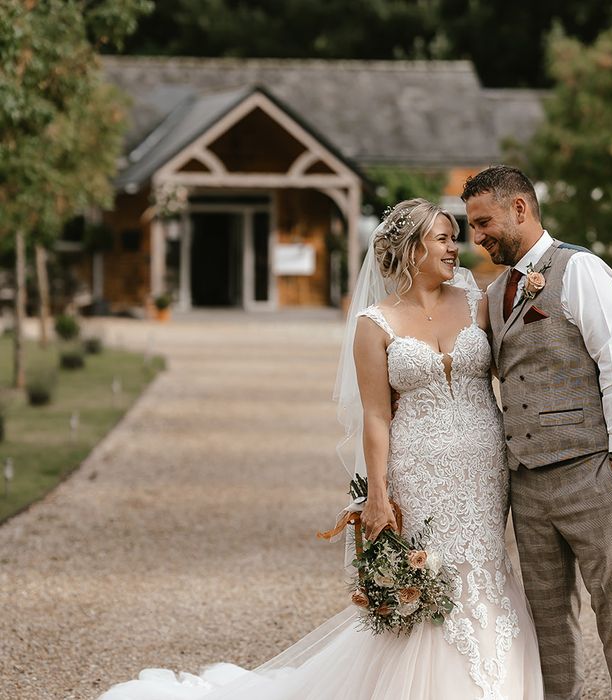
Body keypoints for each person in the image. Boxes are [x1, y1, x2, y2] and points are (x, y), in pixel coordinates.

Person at [97, 198, 544, 700]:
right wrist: (377, 494)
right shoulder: (375, 323)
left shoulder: (476, 298)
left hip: (484, 466)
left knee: (484, 567)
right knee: (428, 574)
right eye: (442, 237)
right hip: (418, 468)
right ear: (412, 247)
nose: (455, 246)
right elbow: (376, 415)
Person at [462, 165, 612, 700]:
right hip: (527, 483)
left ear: (520, 208)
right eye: (471, 226)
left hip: (590, 471)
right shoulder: (496, 291)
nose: (478, 236)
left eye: (484, 222)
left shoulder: (581, 269)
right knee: (549, 625)